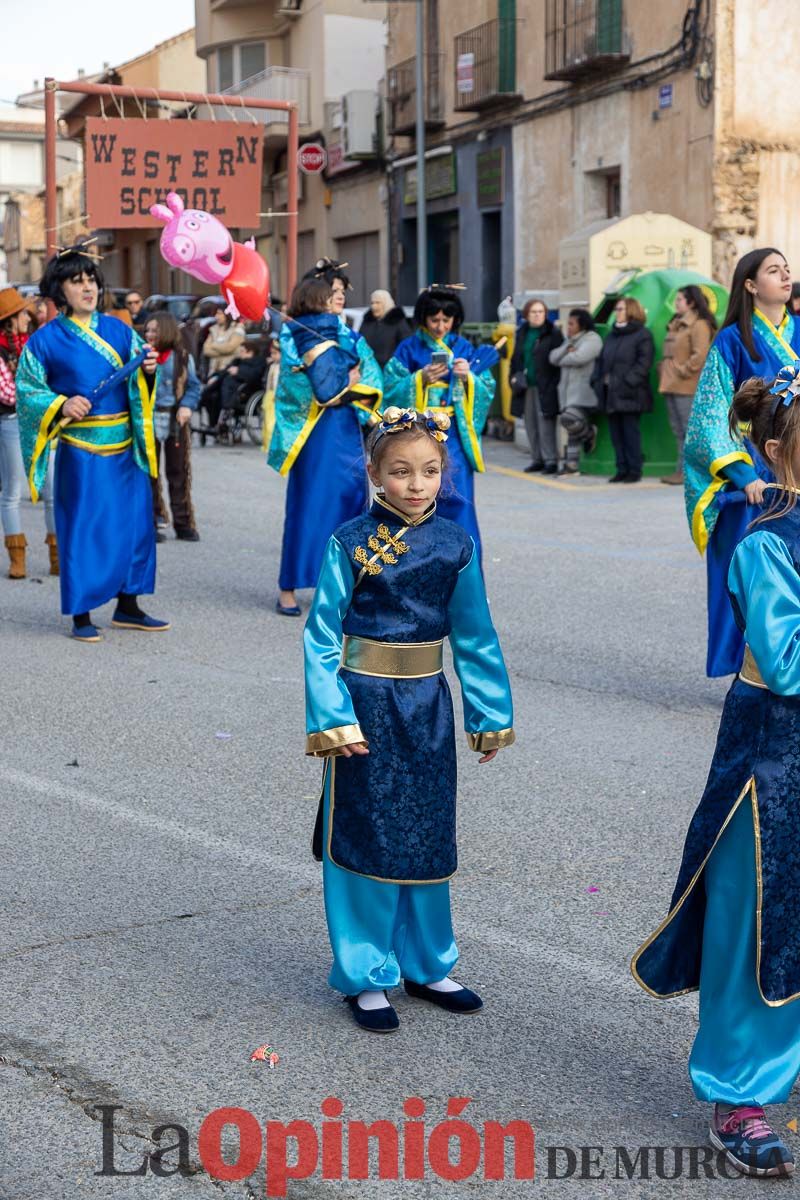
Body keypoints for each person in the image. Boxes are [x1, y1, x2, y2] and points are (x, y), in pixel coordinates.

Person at [631, 367, 800, 1179]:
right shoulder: (766, 543)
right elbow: (787, 662)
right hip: (771, 763)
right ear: (779, 453)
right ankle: (738, 1089)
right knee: (754, 921)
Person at [304, 406, 514, 1032]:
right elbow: (320, 636)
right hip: (365, 704)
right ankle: (366, 972)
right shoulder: (349, 541)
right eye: (400, 471)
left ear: (443, 472)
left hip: (427, 704)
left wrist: (489, 712)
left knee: (425, 831)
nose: (416, 484)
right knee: (366, 834)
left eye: (428, 471)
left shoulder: (456, 544)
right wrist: (334, 718)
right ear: (373, 472)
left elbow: (474, 636)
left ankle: (426, 963)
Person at [15, 244, 168, 642]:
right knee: (84, 529)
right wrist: (62, 403)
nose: (88, 288)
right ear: (58, 289)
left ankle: (129, 606)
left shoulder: (120, 330)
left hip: (125, 448)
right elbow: (28, 392)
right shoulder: (45, 341)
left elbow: (139, 384)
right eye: (76, 281)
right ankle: (81, 613)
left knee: (135, 527)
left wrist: (147, 372)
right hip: (82, 451)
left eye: (91, 281)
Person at [684, 247, 799, 677]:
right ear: (750, 285)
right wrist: (743, 474)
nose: (786, 276)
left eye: (787, 269)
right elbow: (711, 415)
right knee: (748, 576)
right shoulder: (732, 341)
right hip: (752, 476)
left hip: (797, 467)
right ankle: (746, 673)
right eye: (774, 270)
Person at [269, 260, 383, 616]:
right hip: (313, 432)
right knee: (307, 507)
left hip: (346, 429)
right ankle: (288, 586)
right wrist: (338, 383)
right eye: (332, 292)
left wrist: (358, 390)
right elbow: (293, 380)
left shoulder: (350, 333)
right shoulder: (294, 333)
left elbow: (372, 373)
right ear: (315, 296)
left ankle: (345, 587)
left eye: (341, 293)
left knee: (351, 506)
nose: (339, 298)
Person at [383, 286, 495, 557]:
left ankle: (465, 581)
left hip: (453, 434)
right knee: (416, 500)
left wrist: (469, 377)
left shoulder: (465, 347)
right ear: (423, 318)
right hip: (418, 432)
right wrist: (420, 379)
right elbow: (390, 388)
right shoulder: (408, 347)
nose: (441, 326)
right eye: (434, 320)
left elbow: (487, 386)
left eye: (447, 320)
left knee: (459, 499)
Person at [0, 287, 57, 578]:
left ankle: (57, 555)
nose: (27, 317)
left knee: (51, 489)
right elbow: (8, 394)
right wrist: (39, 395)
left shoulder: (32, 346)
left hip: (39, 422)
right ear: (10, 319)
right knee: (11, 492)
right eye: (22, 313)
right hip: (10, 422)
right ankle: (17, 558)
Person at [144, 311, 201, 543]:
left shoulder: (183, 356)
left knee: (178, 472)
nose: (149, 335)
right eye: (147, 330)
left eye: (154, 331)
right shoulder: (141, 355)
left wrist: (187, 406)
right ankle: (153, 520)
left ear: (166, 331)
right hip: (148, 419)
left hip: (175, 420)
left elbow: (194, 387)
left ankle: (183, 522)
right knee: (149, 473)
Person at [658, 286, 717, 486]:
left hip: (687, 386)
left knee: (689, 430)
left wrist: (681, 370)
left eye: (680, 299)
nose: (676, 303)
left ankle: (689, 472)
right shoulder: (677, 324)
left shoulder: (699, 324)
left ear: (691, 302)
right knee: (679, 431)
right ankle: (682, 470)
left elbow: (700, 355)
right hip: (671, 385)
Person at [592, 296, 654, 483]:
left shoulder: (642, 334)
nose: (616, 313)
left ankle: (634, 470)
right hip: (610, 392)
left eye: (620, 309)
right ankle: (621, 469)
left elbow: (644, 363)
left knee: (630, 433)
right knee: (616, 435)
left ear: (631, 311)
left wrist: (628, 382)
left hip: (630, 394)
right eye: (616, 309)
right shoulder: (612, 334)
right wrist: (596, 379)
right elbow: (602, 360)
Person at [508, 299, 563, 474]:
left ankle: (551, 461)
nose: (538, 315)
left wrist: (554, 384)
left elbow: (557, 362)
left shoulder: (553, 333)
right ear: (526, 315)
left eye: (541, 312)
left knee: (546, 423)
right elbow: (516, 358)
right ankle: (537, 459)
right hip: (526, 385)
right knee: (530, 423)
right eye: (534, 312)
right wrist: (513, 376)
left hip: (546, 386)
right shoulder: (522, 332)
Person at [549, 308, 602, 476]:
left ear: (582, 324)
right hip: (567, 393)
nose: (568, 327)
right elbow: (552, 357)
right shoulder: (570, 341)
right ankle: (571, 464)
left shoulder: (592, 339)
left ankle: (589, 433)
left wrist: (565, 357)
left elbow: (579, 357)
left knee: (569, 419)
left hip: (583, 392)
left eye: (572, 323)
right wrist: (568, 350)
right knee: (571, 430)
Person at [201, 306, 246, 430]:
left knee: (217, 395)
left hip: (228, 370)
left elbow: (231, 347)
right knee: (209, 396)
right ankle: (213, 424)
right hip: (214, 370)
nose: (217, 317)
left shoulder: (237, 329)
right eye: (216, 314)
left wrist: (215, 347)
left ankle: (218, 424)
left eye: (219, 313)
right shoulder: (213, 329)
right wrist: (222, 347)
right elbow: (206, 349)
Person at [358, 290, 412, 368]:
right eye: (372, 303)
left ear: (386, 303)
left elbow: (407, 347)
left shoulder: (397, 321)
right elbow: (359, 343)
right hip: (368, 372)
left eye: (378, 303)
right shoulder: (367, 322)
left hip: (390, 373)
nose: (374, 306)